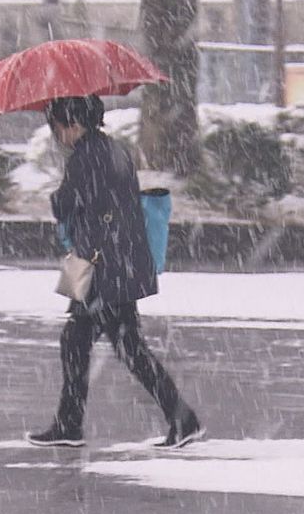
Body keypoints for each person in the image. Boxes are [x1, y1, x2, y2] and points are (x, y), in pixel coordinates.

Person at [26, 95, 204, 449]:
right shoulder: (113, 149)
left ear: (72, 124)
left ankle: (182, 418)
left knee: (128, 348)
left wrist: (58, 197)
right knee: (78, 342)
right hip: (115, 262)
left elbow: (66, 206)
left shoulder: (85, 158)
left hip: (101, 267)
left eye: (58, 126)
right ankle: (69, 424)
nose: (57, 134)